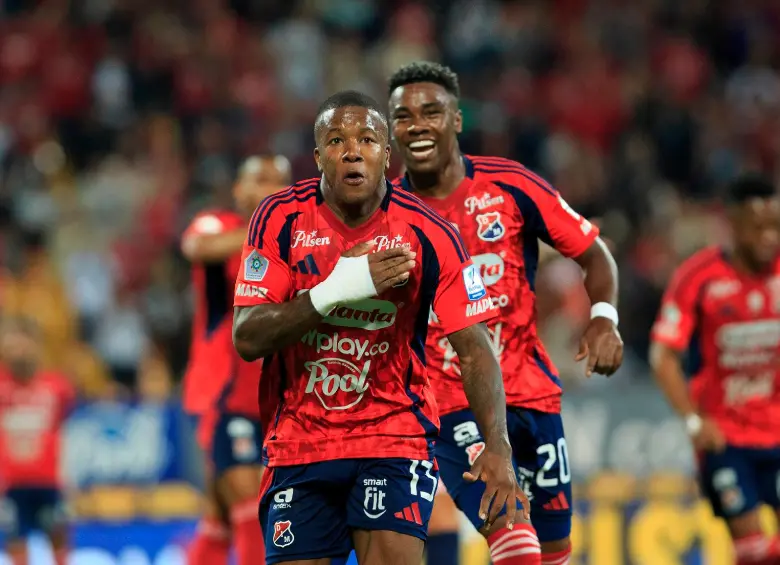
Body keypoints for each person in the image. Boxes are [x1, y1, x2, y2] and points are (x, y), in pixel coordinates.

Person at [232, 89, 529, 565]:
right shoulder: (279, 219)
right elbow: (247, 336)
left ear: (386, 155)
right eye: (336, 141)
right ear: (317, 157)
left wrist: (498, 446)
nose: (352, 150)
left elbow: (474, 349)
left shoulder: (429, 232)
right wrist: (335, 290)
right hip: (299, 443)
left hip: (393, 437)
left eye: (367, 139)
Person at [387, 61, 623, 565]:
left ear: (456, 120)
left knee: (554, 547)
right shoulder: (385, 213)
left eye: (431, 111)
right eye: (403, 116)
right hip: (447, 403)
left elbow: (593, 251)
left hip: (531, 391)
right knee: (510, 527)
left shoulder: (509, 185)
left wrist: (604, 316)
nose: (417, 124)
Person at [650, 174, 780, 565]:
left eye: (775, 226)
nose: (768, 236)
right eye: (758, 227)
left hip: (777, 429)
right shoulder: (699, 277)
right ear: (733, 224)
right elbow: (663, 356)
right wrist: (693, 421)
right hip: (725, 438)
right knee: (753, 551)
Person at [182, 155, 291, 565]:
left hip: (272, 392)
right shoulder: (219, 226)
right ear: (239, 190)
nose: (270, 188)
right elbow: (196, 246)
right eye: (260, 180)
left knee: (219, 517)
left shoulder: (298, 241)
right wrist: (264, 231)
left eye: (279, 181)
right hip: (222, 392)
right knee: (248, 500)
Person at [0, 317, 75, 565]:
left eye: (24, 344)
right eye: (12, 346)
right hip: (11, 485)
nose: (19, 351)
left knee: (58, 537)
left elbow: (65, 418)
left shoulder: (56, 387)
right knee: (15, 542)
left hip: (49, 483)